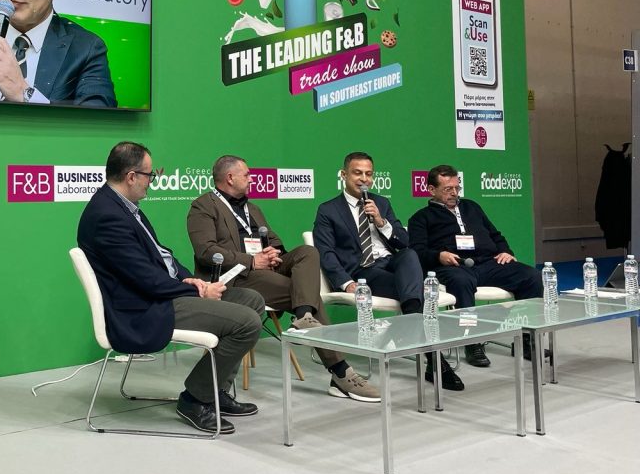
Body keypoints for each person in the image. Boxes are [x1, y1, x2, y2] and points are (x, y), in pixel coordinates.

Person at [77, 142, 264, 434]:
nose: (153, 181)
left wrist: (191, 280)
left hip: (162, 294)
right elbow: (143, 279)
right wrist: (196, 292)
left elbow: (162, 256)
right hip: (144, 307)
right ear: (131, 176)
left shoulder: (125, 207)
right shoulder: (106, 215)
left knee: (252, 300)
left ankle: (215, 390)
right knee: (247, 322)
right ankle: (195, 399)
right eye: (150, 175)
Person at [186, 155, 381, 403]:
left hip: (266, 270)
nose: (252, 179)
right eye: (247, 175)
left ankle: (304, 317)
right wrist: (251, 260)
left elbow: (274, 240)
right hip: (236, 277)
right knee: (304, 292)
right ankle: (340, 371)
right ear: (230, 178)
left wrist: (274, 253)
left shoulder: (252, 208)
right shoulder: (203, 206)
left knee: (308, 252)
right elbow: (206, 251)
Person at [313, 151, 464, 391]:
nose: (364, 179)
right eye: (357, 173)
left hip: (392, 263)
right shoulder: (328, 210)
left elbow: (404, 241)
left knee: (409, 255)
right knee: (414, 293)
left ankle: (411, 333)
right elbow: (326, 253)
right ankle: (434, 360)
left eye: (368, 174)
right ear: (343, 175)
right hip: (363, 271)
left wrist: (382, 222)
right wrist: (346, 283)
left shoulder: (381, 203)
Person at [409, 164, 543, 367]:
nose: (454, 193)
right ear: (431, 190)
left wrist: (506, 251)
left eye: (457, 188)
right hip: (454, 267)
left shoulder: (472, 207)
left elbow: (495, 235)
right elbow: (417, 252)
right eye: (448, 189)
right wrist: (439, 256)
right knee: (461, 282)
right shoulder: (420, 218)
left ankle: (527, 340)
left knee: (532, 276)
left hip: (488, 263)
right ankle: (471, 341)